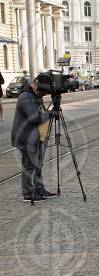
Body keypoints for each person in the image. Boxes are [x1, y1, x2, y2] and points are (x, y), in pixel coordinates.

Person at [11, 74, 55, 203]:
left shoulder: (34, 96)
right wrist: (50, 114)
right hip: (25, 138)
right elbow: (34, 117)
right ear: (37, 88)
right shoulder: (26, 97)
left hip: (36, 137)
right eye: (44, 93)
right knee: (29, 166)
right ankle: (29, 193)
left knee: (38, 165)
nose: (44, 95)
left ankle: (39, 189)